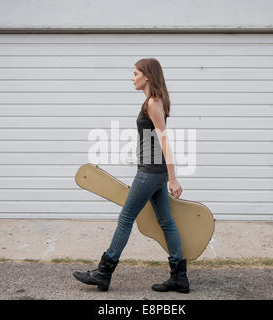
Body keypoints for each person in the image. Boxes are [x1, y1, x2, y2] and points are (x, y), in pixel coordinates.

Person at [73, 58, 189, 293]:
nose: (132, 77)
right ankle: (180, 277)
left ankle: (104, 272)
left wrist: (173, 178)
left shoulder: (153, 103)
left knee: (125, 218)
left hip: (150, 172)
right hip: (154, 172)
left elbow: (164, 139)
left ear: (147, 76)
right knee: (166, 223)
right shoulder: (154, 101)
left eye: (135, 73)